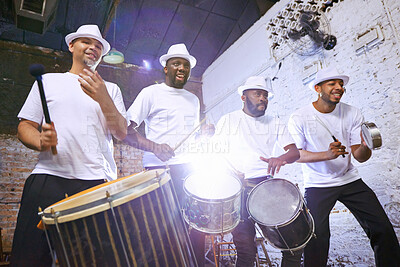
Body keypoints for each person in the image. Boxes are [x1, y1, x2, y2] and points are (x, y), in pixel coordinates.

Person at [11, 24, 128, 267]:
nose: (93, 48)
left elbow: (121, 132)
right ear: (71, 45)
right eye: (87, 42)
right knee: (29, 258)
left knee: (94, 262)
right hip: (48, 178)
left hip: (96, 183)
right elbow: (25, 127)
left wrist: (103, 97)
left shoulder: (112, 90)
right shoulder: (48, 81)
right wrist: (40, 141)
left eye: (98, 46)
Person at [287, 66, 400, 267]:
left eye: (341, 84)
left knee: (382, 229)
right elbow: (296, 155)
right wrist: (327, 154)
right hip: (318, 184)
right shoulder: (300, 117)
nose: (338, 87)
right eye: (332, 83)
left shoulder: (352, 113)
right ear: (318, 88)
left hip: (349, 180)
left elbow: (359, 156)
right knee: (317, 239)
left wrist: (366, 146)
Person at [124, 43, 207, 266]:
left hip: (189, 170)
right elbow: (125, 130)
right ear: (166, 68)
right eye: (176, 63)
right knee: (159, 232)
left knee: (195, 229)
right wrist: (154, 147)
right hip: (158, 171)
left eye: (186, 65)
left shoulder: (193, 100)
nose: (182, 68)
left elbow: (193, 137)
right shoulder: (150, 93)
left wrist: (205, 134)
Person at [213, 76, 302, 267]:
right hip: (238, 191)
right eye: (258, 94)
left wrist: (280, 158)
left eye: (266, 95)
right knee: (246, 251)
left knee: (292, 244)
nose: (263, 98)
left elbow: (294, 152)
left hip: (266, 189)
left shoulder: (275, 121)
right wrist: (229, 172)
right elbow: (216, 153)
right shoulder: (229, 120)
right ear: (244, 97)